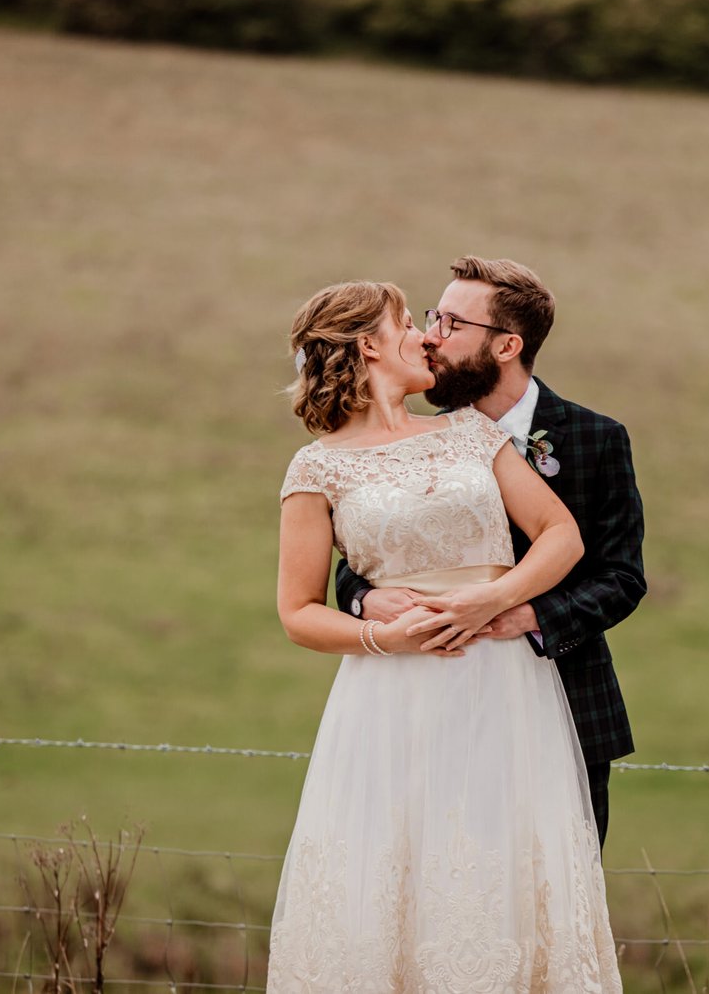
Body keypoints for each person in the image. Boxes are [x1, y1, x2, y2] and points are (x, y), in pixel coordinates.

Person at [269, 279, 622, 992]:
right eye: (408, 323)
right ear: (369, 345)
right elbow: (299, 610)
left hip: (503, 685)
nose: (425, 336)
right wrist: (385, 637)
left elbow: (561, 535)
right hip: (388, 699)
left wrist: (493, 598)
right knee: (391, 867)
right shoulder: (317, 466)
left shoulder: (471, 434)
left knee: (499, 863)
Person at [337, 256, 644, 848]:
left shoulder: (596, 438)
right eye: (434, 318)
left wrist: (520, 614)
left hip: (565, 696)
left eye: (452, 324)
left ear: (507, 346)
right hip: (432, 702)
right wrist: (365, 601)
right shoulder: (416, 439)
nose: (431, 337)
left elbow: (621, 577)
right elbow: (360, 553)